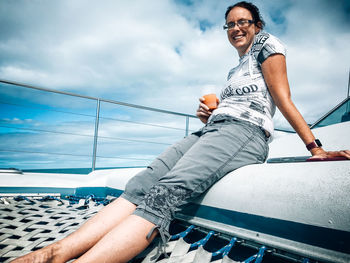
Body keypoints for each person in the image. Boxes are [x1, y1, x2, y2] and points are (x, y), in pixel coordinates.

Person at [12, 2, 350, 263]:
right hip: (216, 130)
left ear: (257, 25)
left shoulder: (266, 43)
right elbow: (236, 105)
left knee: (164, 194)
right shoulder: (236, 68)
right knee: (141, 185)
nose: (236, 28)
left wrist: (314, 147)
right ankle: (55, 252)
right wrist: (208, 115)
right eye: (230, 24)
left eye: (242, 21)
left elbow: (282, 97)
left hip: (245, 133)